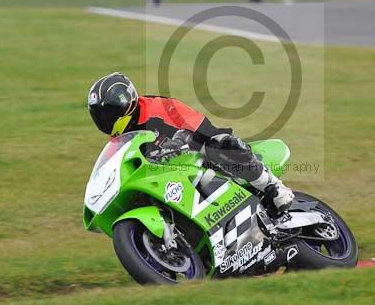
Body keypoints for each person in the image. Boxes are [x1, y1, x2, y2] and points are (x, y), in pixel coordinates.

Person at [87, 72, 295, 212]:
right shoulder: (118, 139)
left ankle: (274, 188)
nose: (105, 119)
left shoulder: (156, 107)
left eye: (108, 113)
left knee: (220, 143)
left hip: (196, 154)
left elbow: (200, 126)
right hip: (169, 174)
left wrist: (180, 139)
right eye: (100, 115)